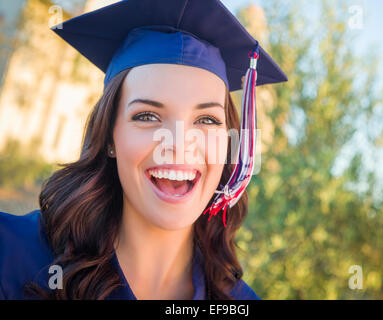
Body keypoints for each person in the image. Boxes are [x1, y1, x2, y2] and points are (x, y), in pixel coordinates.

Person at [0, 0, 286, 300]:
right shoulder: (13, 255)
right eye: (147, 116)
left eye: (206, 119)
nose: (178, 144)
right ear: (109, 136)